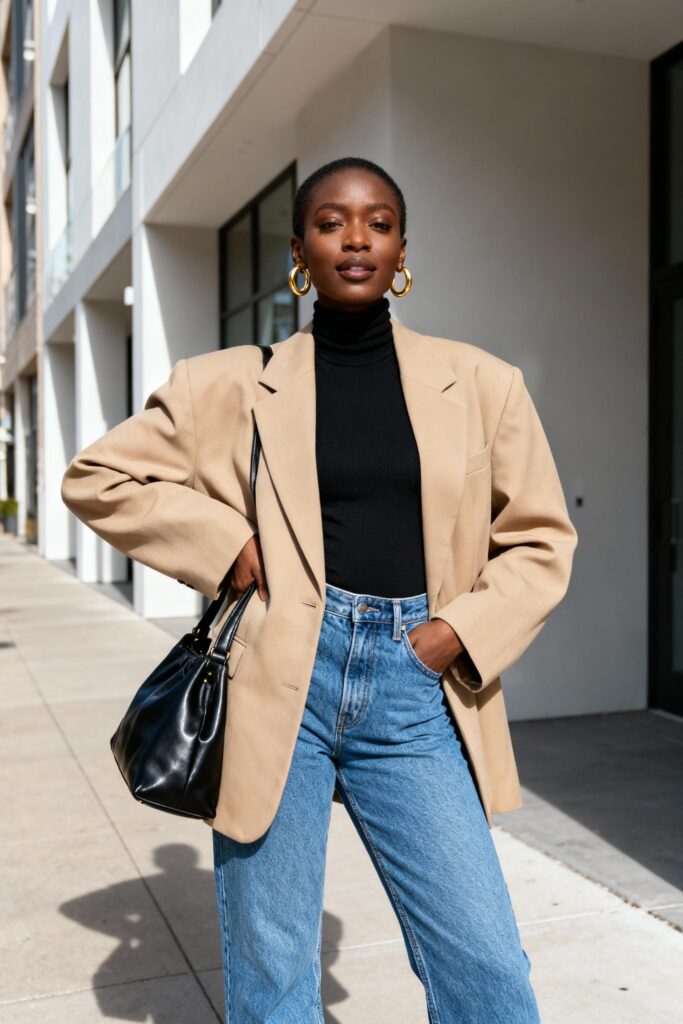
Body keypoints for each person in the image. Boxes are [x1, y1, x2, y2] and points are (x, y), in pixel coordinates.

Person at [61, 155, 578, 1023]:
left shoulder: (483, 384)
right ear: (299, 247)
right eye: (332, 222)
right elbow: (99, 477)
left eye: (377, 223)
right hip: (276, 683)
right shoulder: (225, 381)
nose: (355, 239)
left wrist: (450, 635)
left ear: (402, 247)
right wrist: (223, 543)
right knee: (272, 971)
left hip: (416, 686)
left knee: (484, 961)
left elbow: (538, 539)